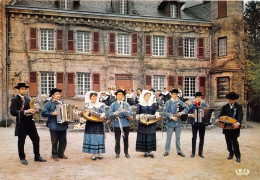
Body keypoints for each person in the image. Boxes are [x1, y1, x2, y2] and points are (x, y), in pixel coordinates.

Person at [10, 83, 47, 165]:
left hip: (30, 123)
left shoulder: (28, 99)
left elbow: (32, 109)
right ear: (19, 90)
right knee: (21, 141)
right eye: (22, 89)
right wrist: (25, 111)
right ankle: (22, 158)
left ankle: (37, 156)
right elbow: (12, 111)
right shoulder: (15, 100)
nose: (24, 90)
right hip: (21, 123)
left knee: (36, 139)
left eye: (24, 89)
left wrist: (34, 110)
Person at [216, 92, 243, 163]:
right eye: (230, 99)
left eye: (233, 100)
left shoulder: (239, 107)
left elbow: (240, 116)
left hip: (234, 127)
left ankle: (238, 156)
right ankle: (231, 153)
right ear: (228, 99)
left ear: (235, 100)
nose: (231, 101)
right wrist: (218, 119)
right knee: (228, 141)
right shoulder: (225, 107)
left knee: (234, 141)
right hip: (226, 127)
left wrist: (238, 123)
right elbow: (221, 115)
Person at [42, 88, 68, 161]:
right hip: (54, 125)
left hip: (63, 125)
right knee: (54, 141)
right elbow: (43, 113)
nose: (58, 95)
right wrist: (51, 113)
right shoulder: (49, 104)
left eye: (59, 94)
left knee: (63, 141)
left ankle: (61, 154)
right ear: (52, 96)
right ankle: (54, 155)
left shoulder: (62, 103)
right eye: (56, 94)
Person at [163, 88, 188, 157]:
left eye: (176, 94)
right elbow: (164, 111)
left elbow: (187, 108)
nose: (175, 95)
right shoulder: (168, 102)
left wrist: (182, 112)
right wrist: (171, 117)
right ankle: (166, 151)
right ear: (171, 94)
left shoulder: (179, 102)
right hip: (170, 122)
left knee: (178, 137)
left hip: (178, 122)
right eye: (174, 94)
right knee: (169, 137)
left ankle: (179, 151)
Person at [136, 90, 160, 158]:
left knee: (150, 136)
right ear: (143, 96)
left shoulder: (152, 104)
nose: (147, 97)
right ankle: (145, 152)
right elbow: (137, 113)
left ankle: (150, 151)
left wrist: (157, 114)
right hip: (143, 123)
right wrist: (139, 116)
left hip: (151, 123)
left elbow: (155, 111)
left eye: (149, 96)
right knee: (144, 136)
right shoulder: (140, 104)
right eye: (146, 96)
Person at [109, 89, 133, 158]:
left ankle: (126, 152)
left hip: (125, 123)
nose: (119, 96)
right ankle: (117, 152)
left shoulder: (126, 104)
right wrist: (115, 113)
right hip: (117, 123)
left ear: (123, 96)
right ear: (116, 96)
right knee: (117, 139)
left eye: (121, 95)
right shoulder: (113, 104)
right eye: (118, 94)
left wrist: (124, 112)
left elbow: (130, 112)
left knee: (126, 139)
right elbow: (110, 114)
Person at [82, 91, 106, 160]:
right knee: (92, 138)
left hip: (98, 123)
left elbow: (103, 112)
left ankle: (100, 153)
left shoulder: (101, 105)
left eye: (95, 96)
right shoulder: (87, 105)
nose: (94, 98)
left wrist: (103, 115)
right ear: (90, 97)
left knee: (99, 138)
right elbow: (85, 114)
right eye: (93, 96)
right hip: (90, 124)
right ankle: (93, 154)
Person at [188, 92, 207, 158]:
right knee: (194, 138)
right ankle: (193, 153)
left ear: (201, 98)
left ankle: (200, 153)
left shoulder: (204, 105)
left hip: (202, 124)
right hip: (195, 124)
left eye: (200, 97)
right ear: (195, 98)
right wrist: (190, 115)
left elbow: (207, 113)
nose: (199, 99)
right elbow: (187, 112)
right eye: (197, 97)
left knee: (201, 138)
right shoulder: (192, 105)